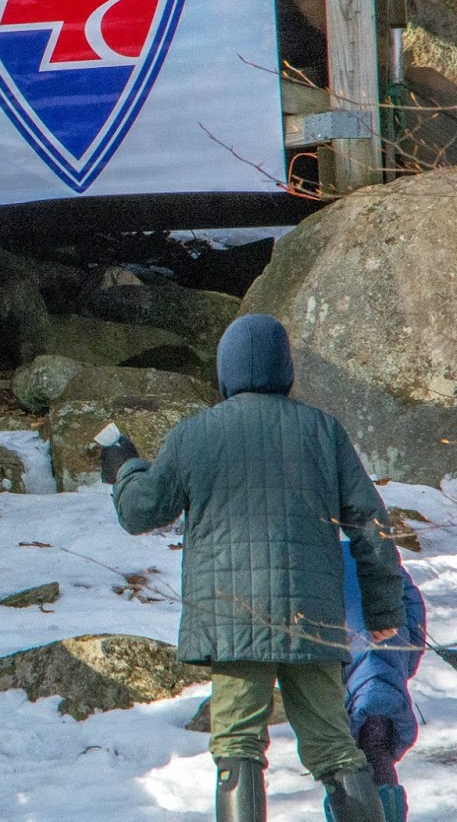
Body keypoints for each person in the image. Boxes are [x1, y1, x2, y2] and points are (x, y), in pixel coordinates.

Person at [106, 313, 406, 822]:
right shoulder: (323, 431)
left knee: (237, 746)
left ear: (224, 374)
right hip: (310, 619)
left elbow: (140, 512)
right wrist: (381, 608)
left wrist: (124, 467)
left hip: (232, 619)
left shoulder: (194, 434)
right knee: (334, 747)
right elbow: (369, 525)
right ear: (286, 371)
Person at [328, 542, 426, 822]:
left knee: (339, 755)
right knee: (377, 746)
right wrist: (408, 657)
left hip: (338, 659)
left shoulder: (314, 551)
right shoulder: (376, 547)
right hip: (388, 651)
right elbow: (412, 602)